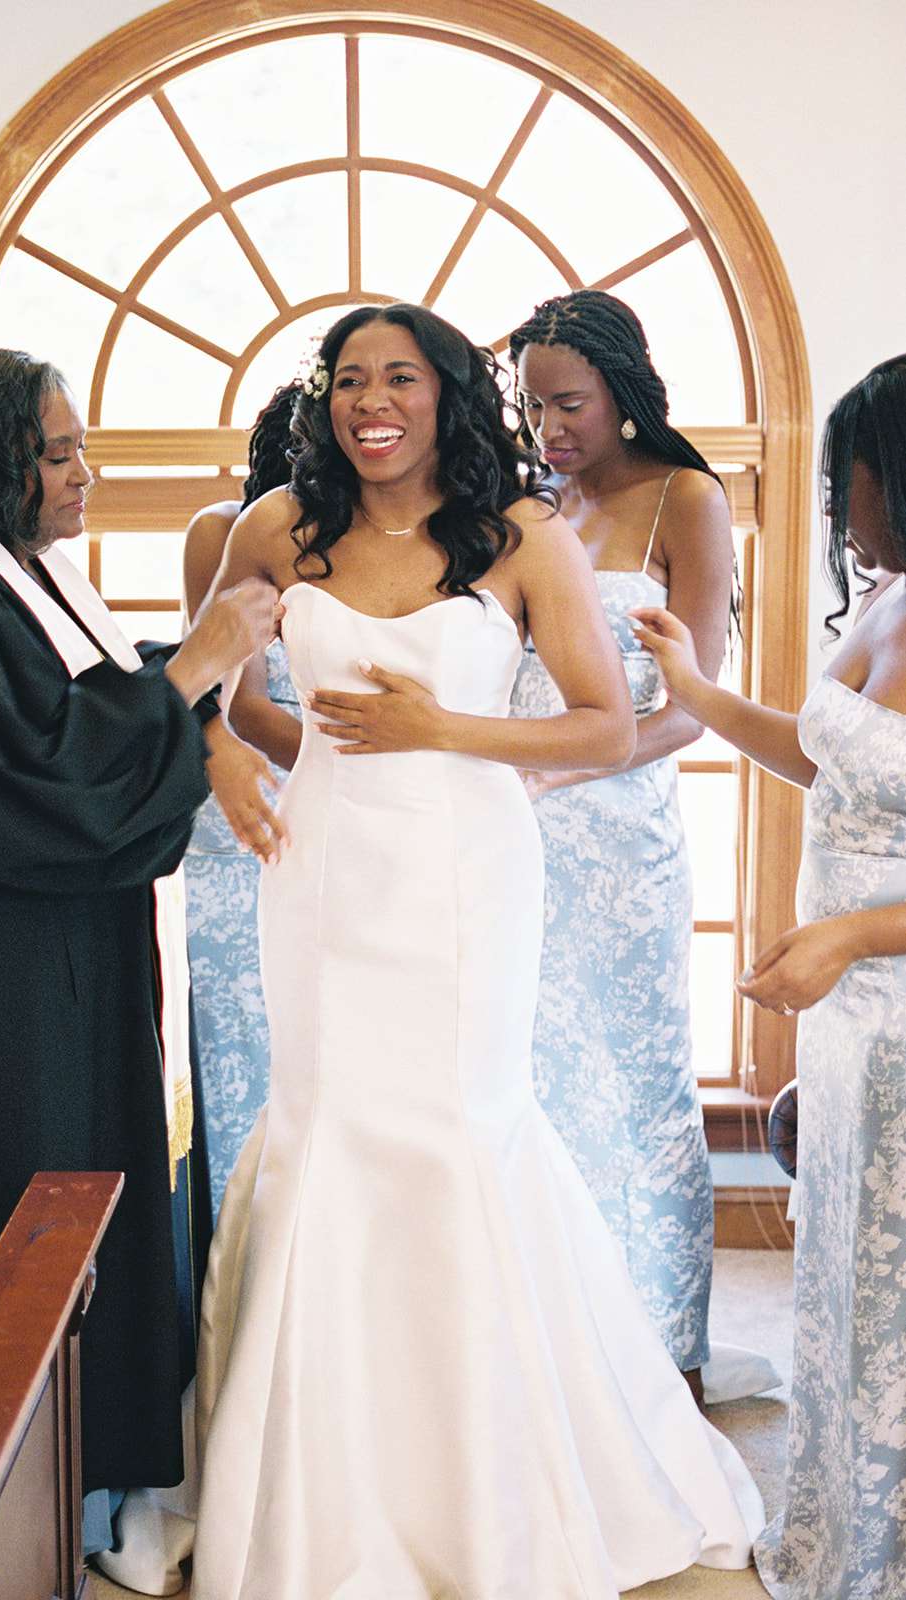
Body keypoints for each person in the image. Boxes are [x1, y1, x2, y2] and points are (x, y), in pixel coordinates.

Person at [153, 303, 763, 1598]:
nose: (375, 401)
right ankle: (321, 1491)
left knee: (454, 1133)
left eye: (403, 379)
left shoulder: (521, 537)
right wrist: (221, 751)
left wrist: (446, 733)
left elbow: (607, 729)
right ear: (330, 401)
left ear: (446, 397)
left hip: (468, 873)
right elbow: (204, 679)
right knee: (326, 1135)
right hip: (318, 872)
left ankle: (490, 1485)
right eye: (352, 380)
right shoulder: (277, 528)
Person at [0, 349, 278, 1512]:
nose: (88, 472)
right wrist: (197, 663)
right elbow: (31, 776)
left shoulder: (18, 574)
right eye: (61, 451)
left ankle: (85, 1473)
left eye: (84, 447)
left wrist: (187, 694)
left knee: (78, 1192)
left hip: (44, 958)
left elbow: (83, 709)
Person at [633, 353, 906, 1600]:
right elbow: (817, 756)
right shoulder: (883, 598)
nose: (837, 503)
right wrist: (695, 693)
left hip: (887, 997)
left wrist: (850, 935)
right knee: (850, 1287)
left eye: (848, 475)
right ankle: (850, 1530)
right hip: (849, 1022)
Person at [505, 289, 735, 1406]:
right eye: (532, 405)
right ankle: (556, 1351)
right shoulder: (522, 507)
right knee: (532, 1088)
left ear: (621, 393)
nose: (550, 427)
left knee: (640, 1084)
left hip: (622, 839)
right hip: (511, 835)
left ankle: (666, 1351)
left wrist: (575, 760)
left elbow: (697, 708)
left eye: (569, 404)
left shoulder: (683, 499)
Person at [181, 383, 302, 1219]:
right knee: (237, 1046)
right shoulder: (224, 531)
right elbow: (226, 696)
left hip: (340, 814)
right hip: (238, 802)